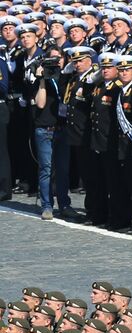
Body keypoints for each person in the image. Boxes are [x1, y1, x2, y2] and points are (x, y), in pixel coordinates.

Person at [25, 45, 62, 221]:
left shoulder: (64, 78)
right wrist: (41, 79)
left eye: (57, 60)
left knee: (62, 170)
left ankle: (65, 204)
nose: (54, 64)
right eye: (50, 61)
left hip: (61, 130)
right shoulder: (39, 81)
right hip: (44, 130)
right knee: (46, 169)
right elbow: (40, 104)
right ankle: (47, 206)